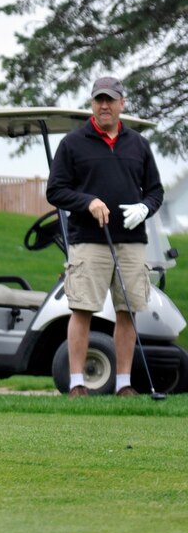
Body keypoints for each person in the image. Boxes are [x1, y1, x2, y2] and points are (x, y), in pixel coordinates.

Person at [46, 76, 163, 398]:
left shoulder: (138, 144)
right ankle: (76, 384)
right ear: (92, 103)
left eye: (110, 100)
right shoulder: (73, 142)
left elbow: (155, 191)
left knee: (128, 310)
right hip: (88, 240)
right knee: (82, 309)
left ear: (122, 103)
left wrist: (145, 207)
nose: (104, 105)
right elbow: (55, 191)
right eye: (99, 99)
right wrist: (88, 201)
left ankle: (124, 384)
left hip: (131, 241)